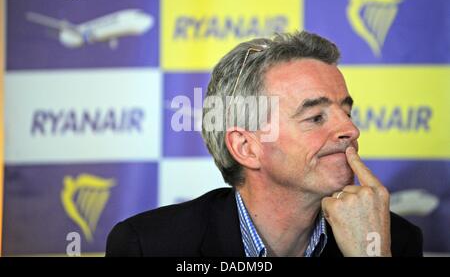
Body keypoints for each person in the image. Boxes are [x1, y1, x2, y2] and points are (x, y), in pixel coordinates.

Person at [105, 31, 422, 257]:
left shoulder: (391, 239)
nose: (351, 130)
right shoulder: (149, 246)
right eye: (315, 117)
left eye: (347, 112)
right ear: (246, 147)